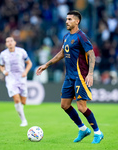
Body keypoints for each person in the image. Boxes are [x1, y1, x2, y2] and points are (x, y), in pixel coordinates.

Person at [36, 10, 104, 144]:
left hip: (80, 76)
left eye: (70, 19)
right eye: (66, 19)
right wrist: (46, 65)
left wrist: (90, 74)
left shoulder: (81, 36)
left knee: (81, 107)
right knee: (64, 105)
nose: (67, 21)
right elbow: (62, 53)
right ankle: (83, 129)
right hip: (69, 76)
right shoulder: (66, 36)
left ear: (77, 21)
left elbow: (91, 55)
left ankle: (98, 132)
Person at [0, 37, 32, 127]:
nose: (9, 43)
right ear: (6, 44)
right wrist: (4, 71)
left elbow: (29, 63)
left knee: (23, 102)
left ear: (15, 42)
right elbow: (1, 66)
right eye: (7, 42)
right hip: (11, 79)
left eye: (11, 41)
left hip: (21, 78)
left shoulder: (22, 52)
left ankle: (20, 109)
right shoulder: (3, 54)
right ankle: (23, 120)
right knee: (16, 99)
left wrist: (25, 72)